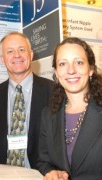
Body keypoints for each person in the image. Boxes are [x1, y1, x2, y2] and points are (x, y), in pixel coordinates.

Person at [0, 31, 54, 168]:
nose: (17, 55)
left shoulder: (54, 91)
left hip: (42, 174)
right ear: (2, 59)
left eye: (22, 49)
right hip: (3, 173)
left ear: (31, 55)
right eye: (10, 51)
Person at [36, 37, 102, 179]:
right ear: (56, 72)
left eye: (78, 62)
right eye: (62, 64)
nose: (71, 70)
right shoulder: (48, 114)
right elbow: (43, 160)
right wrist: (50, 171)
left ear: (91, 69)